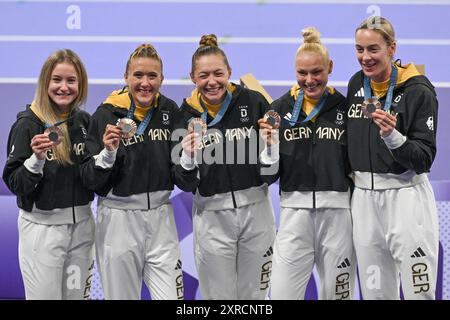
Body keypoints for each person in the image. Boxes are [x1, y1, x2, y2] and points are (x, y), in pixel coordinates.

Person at [80, 44, 197, 300]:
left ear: (162, 80)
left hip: (161, 220)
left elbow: (184, 181)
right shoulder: (105, 114)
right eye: (138, 76)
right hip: (118, 221)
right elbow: (89, 178)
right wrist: (108, 154)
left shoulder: (170, 111)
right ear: (126, 78)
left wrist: (188, 157)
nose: (145, 83)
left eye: (152, 76)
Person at [258, 27, 355, 300]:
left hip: (338, 220)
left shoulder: (344, 108)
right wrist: (269, 147)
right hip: (293, 219)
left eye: (317, 72)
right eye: (302, 73)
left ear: (330, 67)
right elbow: (267, 176)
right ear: (294, 71)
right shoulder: (278, 109)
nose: (310, 80)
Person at [177, 34, 276, 300]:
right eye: (204, 75)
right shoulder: (185, 114)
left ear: (229, 72)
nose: (212, 82)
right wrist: (187, 156)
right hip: (212, 217)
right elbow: (184, 182)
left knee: (254, 296)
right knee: (217, 297)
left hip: (257, 213)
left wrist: (270, 148)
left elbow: (273, 172)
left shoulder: (254, 101)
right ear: (192, 77)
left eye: (218, 73)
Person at [347, 16, 439, 300]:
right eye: (360, 49)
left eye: (373, 49)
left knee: (417, 294)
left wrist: (392, 137)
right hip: (364, 202)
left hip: (405, 198)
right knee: (375, 294)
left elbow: (423, 158)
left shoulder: (418, 91)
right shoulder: (356, 84)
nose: (365, 57)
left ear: (392, 48)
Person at [3, 49, 94, 300]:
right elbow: (14, 183)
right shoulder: (27, 125)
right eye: (57, 80)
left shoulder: (85, 122)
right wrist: (36, 160)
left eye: (71, 80)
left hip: (83, 230)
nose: (64, 87)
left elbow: (93, 176)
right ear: (45, 83)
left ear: (81, 84)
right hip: (42, 232)